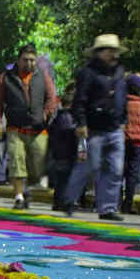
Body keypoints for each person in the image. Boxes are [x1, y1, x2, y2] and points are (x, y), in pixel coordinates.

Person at [60, 34, 128, 221]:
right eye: (109, 51)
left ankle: (107, 208)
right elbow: (80, 100)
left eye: (115, 51)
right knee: (89, 166)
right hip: (93, 129)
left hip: (115, 128)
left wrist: (123, 120)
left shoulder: (120, 72)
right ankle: (69, 199)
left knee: (115, 169)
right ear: (99, 53)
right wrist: (81, 123)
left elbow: (123, 98)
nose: (113, 55)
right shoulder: (88, 73)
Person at [0, 44, 58, 209]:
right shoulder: (6, 77)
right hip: (15, 128)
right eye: (25, 60)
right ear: (18, 60)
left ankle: (27, 188)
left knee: (37, 167)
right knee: (16, 161)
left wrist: (46, 113)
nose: (29, 63)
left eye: (32, 60)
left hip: (38, 129)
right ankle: (19, 197)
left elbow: (51, 97)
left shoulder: (43, 76)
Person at [122, 74, 140, 215]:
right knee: (132, 174)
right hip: (138, 142)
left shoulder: (122, 102)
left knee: (120, 171)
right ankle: (128, 204)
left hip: (124, 140)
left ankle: (116, 201)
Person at [48, 84, 78, 212]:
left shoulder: (58, 117)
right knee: (64, 179)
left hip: (58, 153)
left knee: (61, 179)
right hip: (66, 153)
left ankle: (58, 201)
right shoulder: (68, 118)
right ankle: (62, 201)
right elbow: (68, 132)